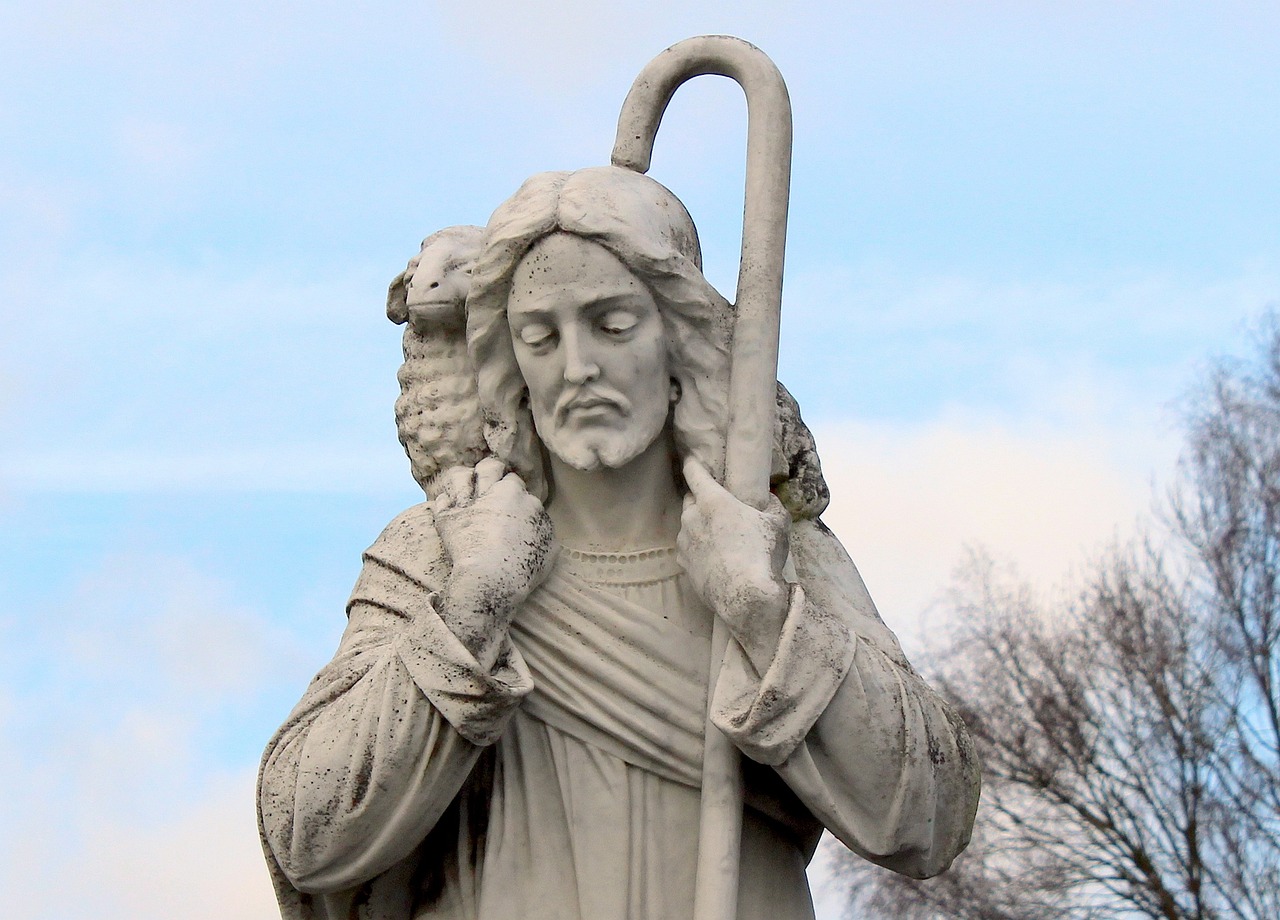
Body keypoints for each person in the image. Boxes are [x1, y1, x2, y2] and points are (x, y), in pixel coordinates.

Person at [257, 166, 980, 920]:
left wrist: (766, 615)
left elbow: (928, 817)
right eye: (540, 336)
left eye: (611, 324)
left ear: (678, 336)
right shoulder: (442, 550)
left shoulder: (771, 549)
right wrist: (472, 608)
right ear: (508, 360)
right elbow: (306, 831)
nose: (578, 368)